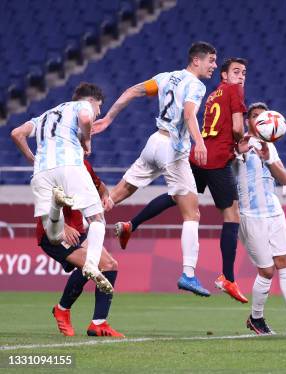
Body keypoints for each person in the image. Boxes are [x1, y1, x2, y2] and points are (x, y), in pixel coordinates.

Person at [110, 57, 250, 303]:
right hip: (207, 156)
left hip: (169, 146)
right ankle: (224, 277)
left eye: (244, 73)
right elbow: (234, 127)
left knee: (175, 196)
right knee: (228, 215)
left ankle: (128, 224)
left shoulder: (212, 93)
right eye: (235, 72)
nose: (241, 77)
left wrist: (108, 118)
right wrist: (241, 141)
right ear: (224, 76)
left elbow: (134, 90)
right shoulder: (217, 89)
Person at [92, 41, 217, 297]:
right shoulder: (196, 85)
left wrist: (109, 118)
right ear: (196, 60)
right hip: (173, 149)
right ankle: (189, 274)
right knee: (192, 214)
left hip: (153, 143)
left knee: (119, 192)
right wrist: (200, 142)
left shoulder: (165, 77)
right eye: (211, 61)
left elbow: (132, 91)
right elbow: (190, 114)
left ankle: (85, 227)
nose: (214, 66)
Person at [11, 82, 112, 293]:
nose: (98, 112)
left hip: (41, 172)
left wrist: (33, 158)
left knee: (54, 235)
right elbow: (85, 119)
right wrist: (87, 141)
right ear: (90, 100)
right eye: (99, 107)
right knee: (97, 218)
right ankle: (92, 265)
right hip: (69, 165)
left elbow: (16, 133)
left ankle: (57, 205)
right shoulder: (81, 107)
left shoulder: (45, 115)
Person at [237, 102, 286, 336]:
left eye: (262, 116)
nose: (259, 120)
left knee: (285, 261)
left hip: (274, 211)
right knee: (267, 271)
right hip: (251, 215)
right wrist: (239, 149)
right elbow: (230, 158)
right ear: (248, 121)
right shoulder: (239, 145)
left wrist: (268, 158)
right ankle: (256, 318)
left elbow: (285, 178)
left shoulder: (269, 145)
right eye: (254, 116)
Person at [40, 160, 124, 337]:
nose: (87, 147)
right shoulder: (52, 165)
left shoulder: (84, 164)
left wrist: (105, 196)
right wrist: (62, 227)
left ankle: (98, 323)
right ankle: (62, 310)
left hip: (78, 231)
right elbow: (43, 201)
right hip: (54, 231)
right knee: (89, 264)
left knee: (109, 265)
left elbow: (100, 186)